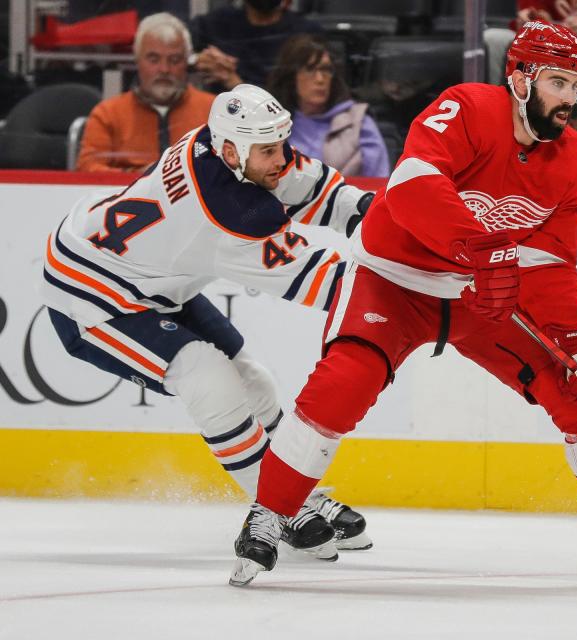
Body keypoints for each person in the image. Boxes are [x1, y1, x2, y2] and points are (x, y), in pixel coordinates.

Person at [229, 21, 577, 590]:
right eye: (558, 82)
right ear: (520, 79)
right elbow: (412, 186)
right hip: (393, 278)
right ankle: (271, 514)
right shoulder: (467, 108)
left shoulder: (574, 160)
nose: (570, 99)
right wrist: (481, 249)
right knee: (344, 383)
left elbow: (549, 263)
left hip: (479, 293)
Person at [44, 84, 374, 558]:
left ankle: (302, 498)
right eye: (268, 149)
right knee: (208, 376)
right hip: (91, 294)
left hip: (150, 275)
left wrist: (370, 214)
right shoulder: (226, 213)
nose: (280, 158)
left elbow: (307, 186)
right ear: (230, 150)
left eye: (281, 142)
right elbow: (328, 283)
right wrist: (417, 287)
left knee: (253, 380)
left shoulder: (221, 144)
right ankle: (278, 509)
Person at [76, 13, 215, 173]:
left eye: (175, 60)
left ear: (187, 63)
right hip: (127, 194)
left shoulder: (213, 110)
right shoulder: (108, 114)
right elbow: (86, 170)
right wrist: (138, 177)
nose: (164, 69)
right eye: (153, 59)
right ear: (137, 60)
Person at [266, 34, 390, 178]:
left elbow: (379, 186)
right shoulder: (272, 124)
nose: (320, 79)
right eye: (310, 69)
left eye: (325, 69)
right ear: (291, 76)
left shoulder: (359, 123)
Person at [190, 0, 323, 93]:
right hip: (223, 121)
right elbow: (174, 46)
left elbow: (300, 99)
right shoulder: (215, 24)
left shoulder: (306, 34)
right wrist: (197, 59)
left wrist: (234, 82)